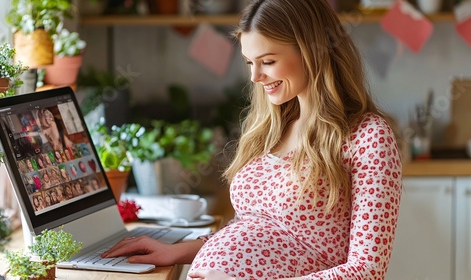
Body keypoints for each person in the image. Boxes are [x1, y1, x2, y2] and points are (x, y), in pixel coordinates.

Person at [101, 0, 403, 279]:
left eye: (268, 61)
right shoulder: (273, 128)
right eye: (249, 62)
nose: (255, 77)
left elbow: (367, 269)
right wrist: (181, 250)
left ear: (313, 52)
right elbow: (255, 225)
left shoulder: (368, 137)